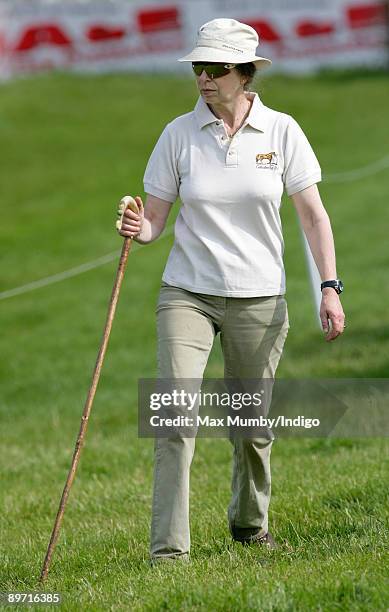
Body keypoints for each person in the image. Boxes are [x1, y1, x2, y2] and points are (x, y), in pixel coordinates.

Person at [117, 18, 345, 563]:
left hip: (260, 296)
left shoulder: (283, 131)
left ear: (244, 73)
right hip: (187, 293)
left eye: (215, 68)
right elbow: (154, 221)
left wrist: (330, 288)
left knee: (250, 428)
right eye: (198, 66)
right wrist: (136, 226)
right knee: (175, 419)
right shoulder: (177, 134)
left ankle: (249, 525)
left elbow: (313, 216)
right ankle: (168, 552)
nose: (203, 76)